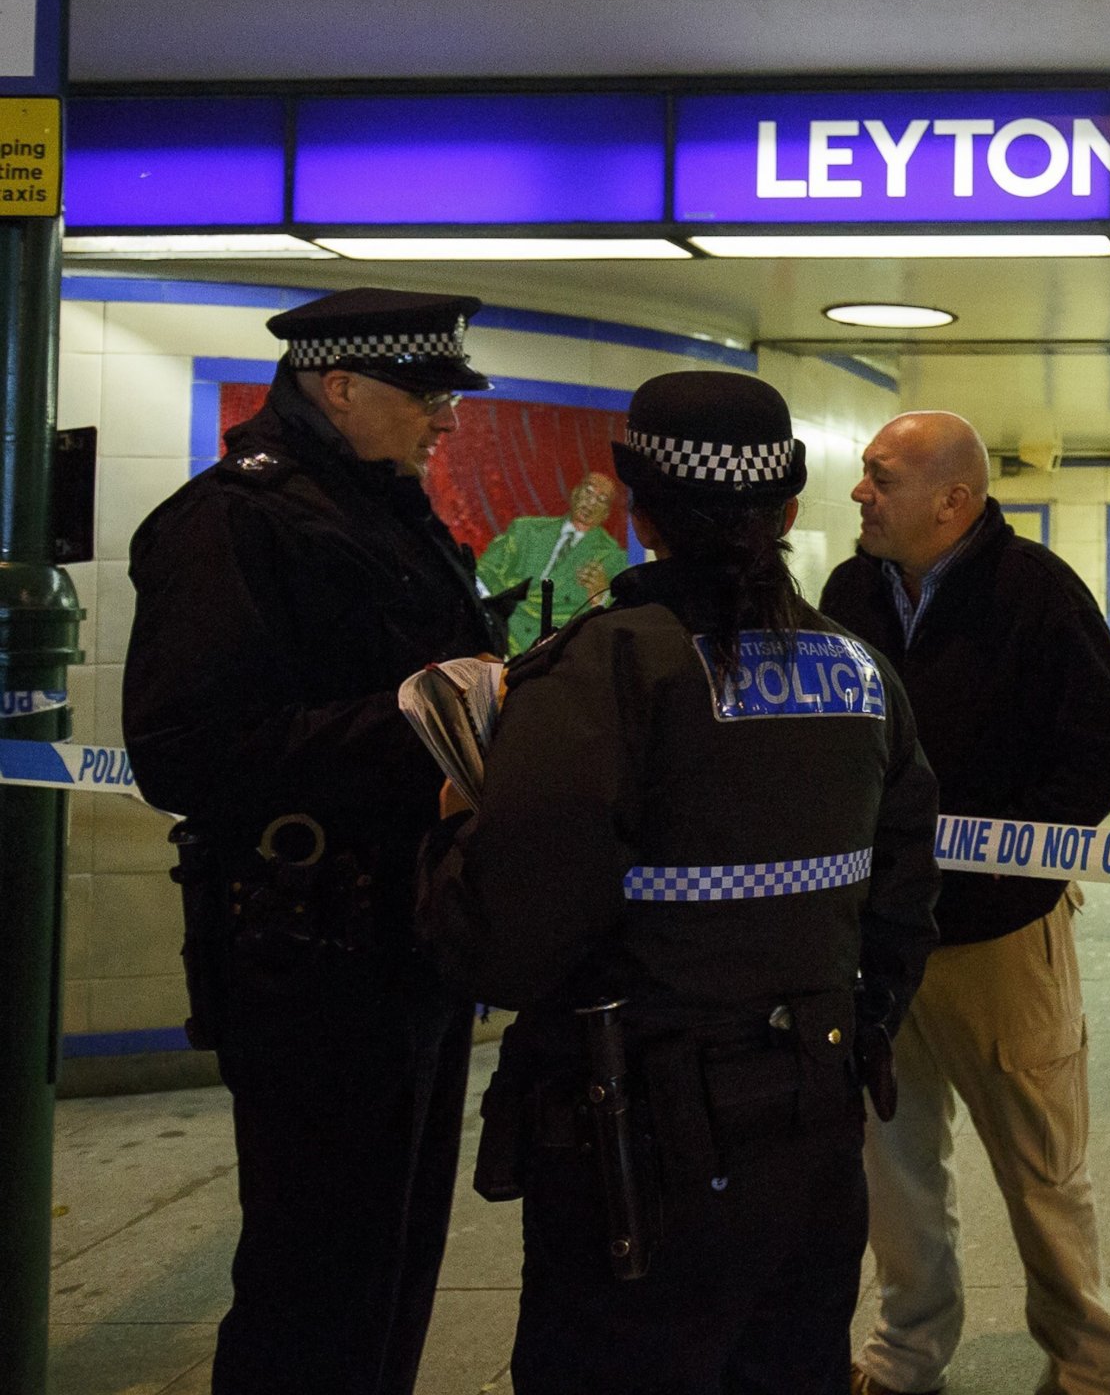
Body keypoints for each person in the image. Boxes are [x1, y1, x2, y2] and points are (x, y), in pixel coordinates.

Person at [418, 370, 943, 1395]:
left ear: (640, 510)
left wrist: (451, 837)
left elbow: (505, 943)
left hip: (634, 1152)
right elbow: (904, 903)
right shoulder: (861, 674)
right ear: (788, 511)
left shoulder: (602, 672)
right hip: (814, 1134)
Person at [124, 288, 504, 1395]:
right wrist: (421, 723)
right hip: (309, 953)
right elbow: (184, 748)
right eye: (426, 393)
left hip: (408, 939)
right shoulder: (232, 522)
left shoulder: (381, 509)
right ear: (337, 387)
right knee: (314, 1273)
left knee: (392, 1258)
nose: (445, 418)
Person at [821, 411, 1110, 1395]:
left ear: (953, 501)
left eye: (880, 478)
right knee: (896, 1173)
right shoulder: (846, 591)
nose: (859, 495)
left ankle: (1087, 1372)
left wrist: (1008, 863)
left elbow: (1103, 748)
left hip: (1001, 943)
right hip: (880, 946)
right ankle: (906, 1358)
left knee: (1043, 1176)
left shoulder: (1036, 593)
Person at [477, 470, 628, 653]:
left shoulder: (612, 557)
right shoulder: (526, 530)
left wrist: (601, 597)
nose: (591, 502)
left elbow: (617, 616)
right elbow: (484, 571)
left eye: (602, 499)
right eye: (588, 491)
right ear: (575, 493)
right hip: (502, 634)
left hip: (554, 651)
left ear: (606, 513)